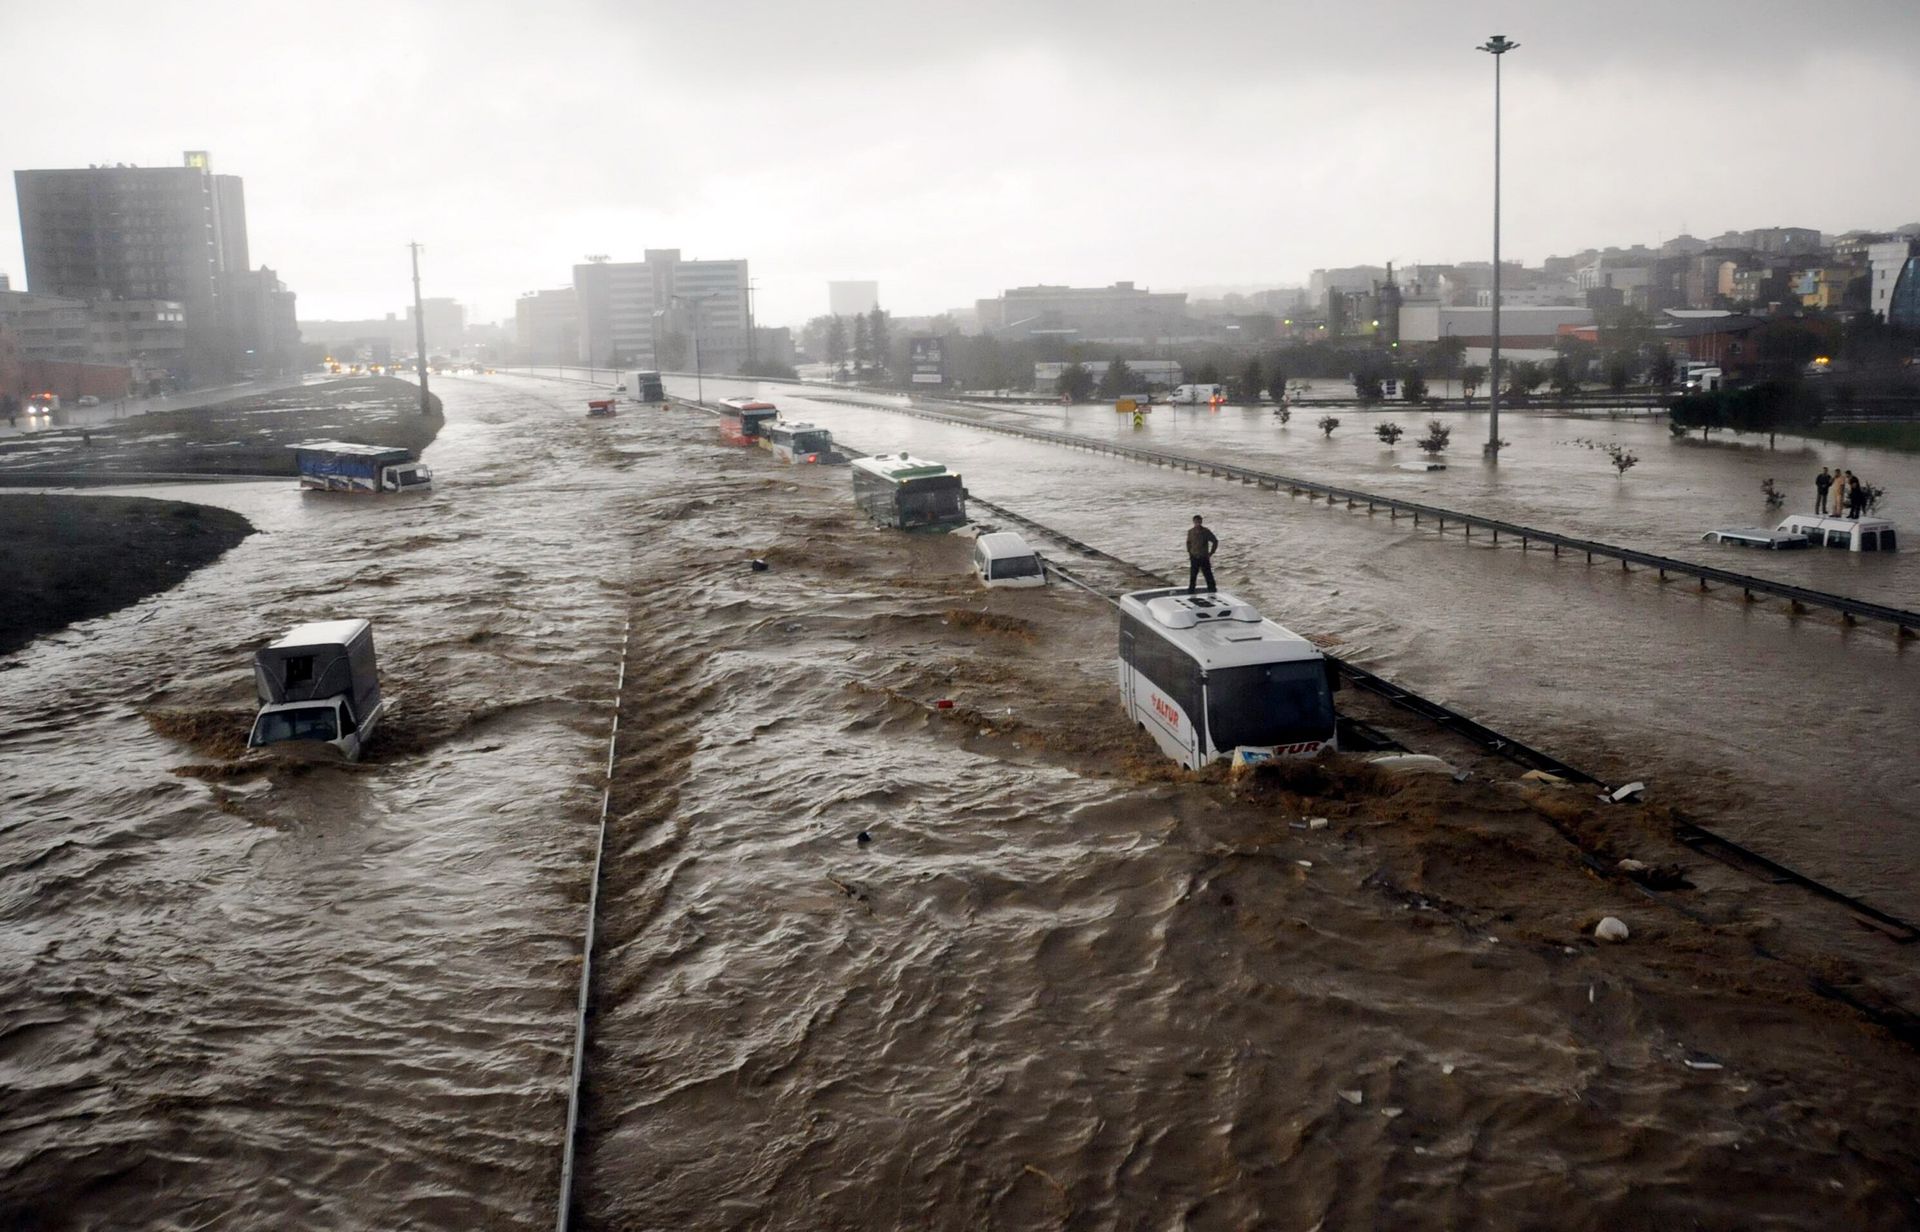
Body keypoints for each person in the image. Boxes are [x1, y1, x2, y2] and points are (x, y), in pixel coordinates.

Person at [1186, 515, 1218, 593]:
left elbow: (1215, 541)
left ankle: (1212, 590)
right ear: (1193, 522)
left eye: (1199, 522)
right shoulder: (1190, 532)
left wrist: (1211, 553)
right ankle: (1191, 591)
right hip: (1194, 557)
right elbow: (1188, 542)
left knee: (1208, 575)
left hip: (1204, 557)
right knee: (1193, 576)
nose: (1198, 524)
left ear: (1201, 522)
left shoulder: (1206, 532)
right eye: (1196, 522)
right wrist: (1189, 552)